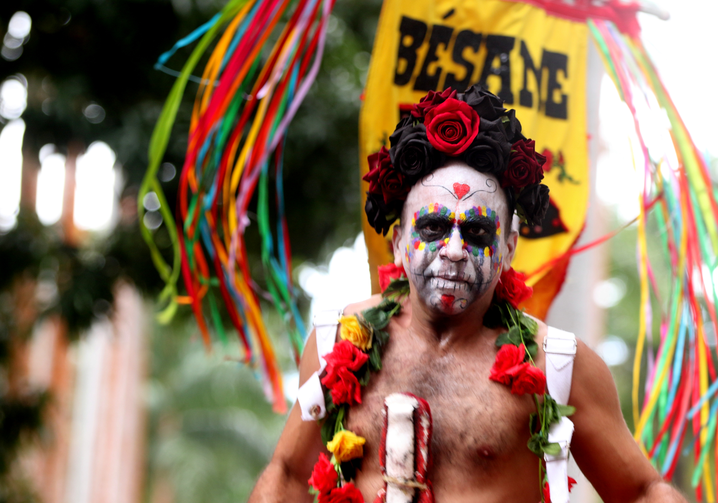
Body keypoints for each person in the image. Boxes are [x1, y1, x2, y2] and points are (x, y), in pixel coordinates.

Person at [249, 86, 687, 503]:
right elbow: (286, 473)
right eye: (434, 228)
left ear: (508, 249)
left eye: (477, 231)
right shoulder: (336, 343)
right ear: (399, 241)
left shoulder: (557, 366)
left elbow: (639, 491)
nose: (455, 251)